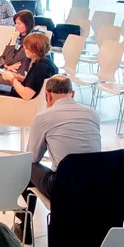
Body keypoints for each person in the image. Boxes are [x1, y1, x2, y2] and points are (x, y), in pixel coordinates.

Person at [25, 76, 100, 205]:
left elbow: (32, 158)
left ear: (47, 95)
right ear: (73, 94)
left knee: (26, 165)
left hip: (65, 187)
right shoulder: (92, 114)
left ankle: (24, 218)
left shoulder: (42, 118)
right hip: (97, 183)